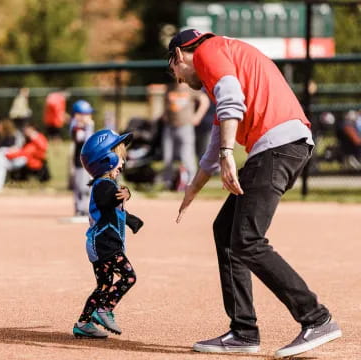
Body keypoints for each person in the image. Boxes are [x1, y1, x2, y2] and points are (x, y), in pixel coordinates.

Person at [169, 29, 341, 358]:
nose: (177, 79)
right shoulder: (224, 56)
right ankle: (243, 332)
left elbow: (232, 100)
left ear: (179, 55)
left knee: (247, 238)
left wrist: (227, 154)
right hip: (283, 145)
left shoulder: (208, 51)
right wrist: (193, 188)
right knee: (226, 231)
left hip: (278, 146)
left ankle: (316, 318)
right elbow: (221, 126)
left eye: (173, 71)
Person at [72, 129, 143, 339]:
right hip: (105, 246)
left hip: (101, 244)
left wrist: (132, 220)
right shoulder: (103, 185)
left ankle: (83, 323)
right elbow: (107, 201)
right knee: (129, 277)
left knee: (103, 285)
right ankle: (104, 310)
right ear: (107, 159)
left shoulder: (107, 185)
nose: (123, 163)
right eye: (120, 158)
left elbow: (114, 210)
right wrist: (125, 194)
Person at [162, 82, 206, 190]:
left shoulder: (191, 89)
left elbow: (205, 101)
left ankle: (192, 182)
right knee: (167, 156)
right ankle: (168, 183)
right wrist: (165, 115)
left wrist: (197, 116)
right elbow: (165, 103)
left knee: (186, 155)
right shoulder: (170, 87)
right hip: (170, 127)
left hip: (186, 127)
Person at [0, 125, 48, 192]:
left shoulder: (35, 141)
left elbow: (26, 152)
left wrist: (9, 154)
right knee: (0, 158)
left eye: (28, 130)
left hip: (29, 162)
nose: (26, 132)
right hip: (20, 159)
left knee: (1, 155)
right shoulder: (28, 141)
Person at [70, 100, 95, 216]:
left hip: (90, 162)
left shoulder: (85, 127)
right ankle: (80, 208)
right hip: (80, 162)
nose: (89, 117)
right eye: (86, 114)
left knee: (88, 185)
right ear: (77, 115)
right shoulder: (77, 129)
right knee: (81, 186)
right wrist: (88, 127)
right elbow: (85, 140)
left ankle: (86, 207)